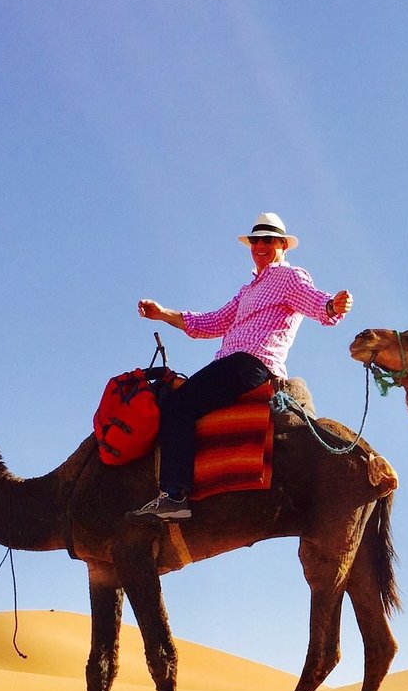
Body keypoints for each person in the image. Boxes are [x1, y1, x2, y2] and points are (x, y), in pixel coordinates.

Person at [128, 212, 353, 521]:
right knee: (178, 397)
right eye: (256, 240)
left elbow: (315, 301)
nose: (261, 245)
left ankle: (174, 495)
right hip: (232, 364)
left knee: (179, 406)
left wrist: (332, 305)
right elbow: (210, 322)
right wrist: (163, 313)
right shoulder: (247, 292)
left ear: (283, 245)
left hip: (252, 363)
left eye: (269, 240)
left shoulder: (289, 277)